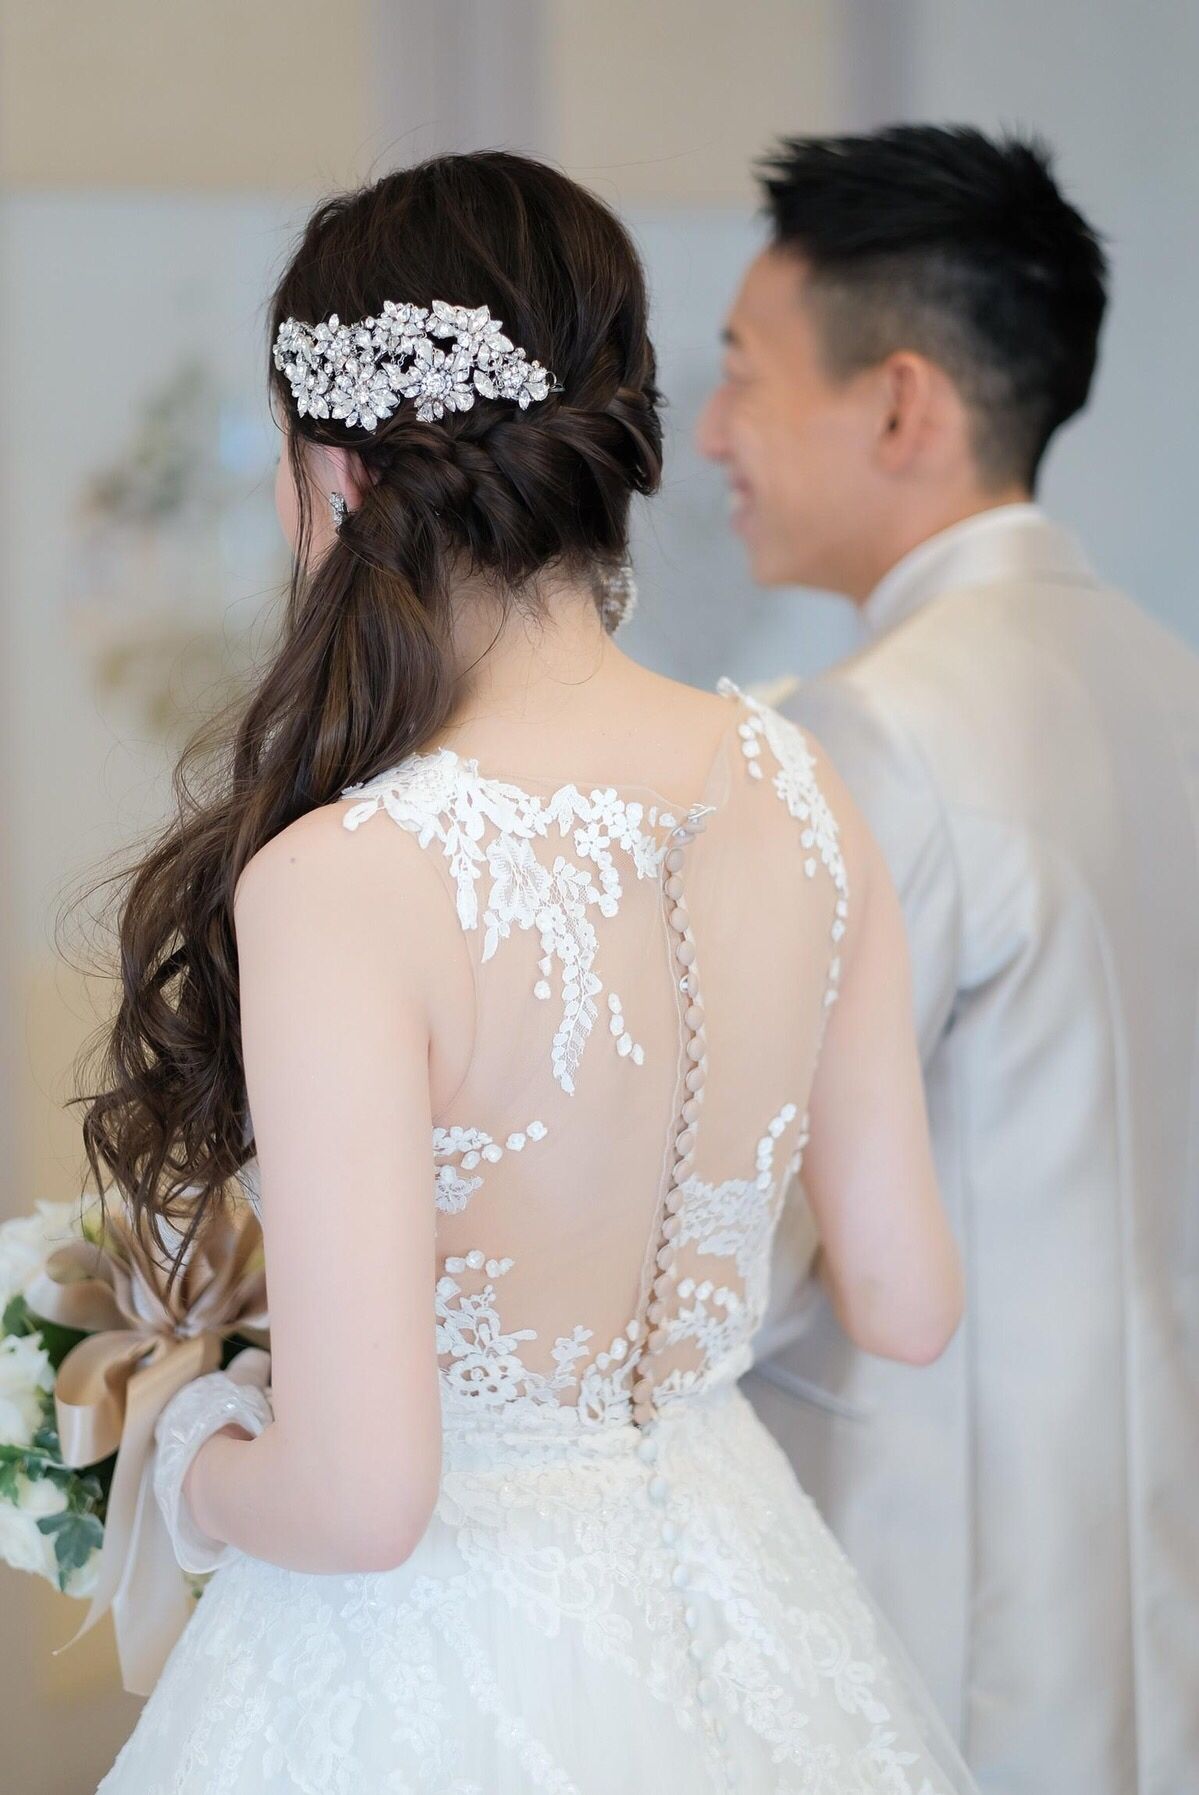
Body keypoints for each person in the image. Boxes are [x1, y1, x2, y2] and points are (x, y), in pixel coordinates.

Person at [81, 151, 972, 1794]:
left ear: (341, 473)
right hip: (756, 1609)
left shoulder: (341, 882)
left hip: (440, 1663)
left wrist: (180, 1452)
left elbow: (363, 1500)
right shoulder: (803, 788)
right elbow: (910, 1305)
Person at [698, 123, 1199, 1794]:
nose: (714, 435)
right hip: (1148, 1544)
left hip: (936, 1559)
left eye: (744, 374)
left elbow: (751, 1228)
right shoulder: (1173, 687)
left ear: (901, 405)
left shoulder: (875, 735)